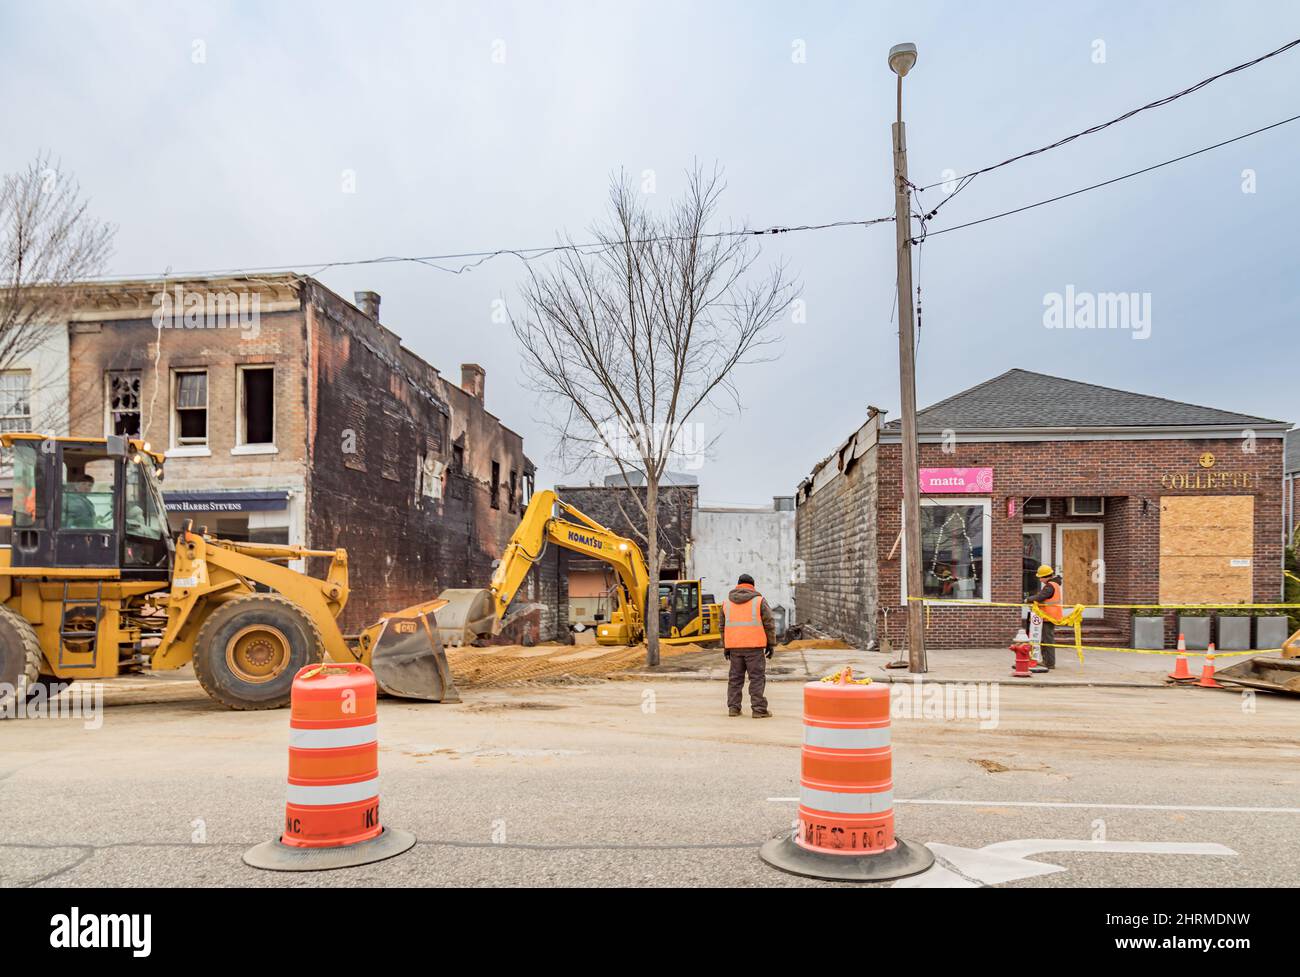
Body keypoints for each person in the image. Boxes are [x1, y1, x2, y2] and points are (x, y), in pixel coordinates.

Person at [720, 573, 777, 718]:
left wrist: (726, 646)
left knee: (735, 679)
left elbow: (722, 627)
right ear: (753, 586)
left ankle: (733, 708)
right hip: (754, 647)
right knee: (757, 678)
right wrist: (771, 644)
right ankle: (758, 710)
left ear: (738, 584)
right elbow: (769, 623)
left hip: (734, 648)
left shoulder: (726, 603)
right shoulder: (759, 601)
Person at [1025, 564, 1064, 670]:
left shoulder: (1050, 586)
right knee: (1045, 639)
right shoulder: (1053, 584)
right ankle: (1047, 661)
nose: (1040, 579)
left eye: (1041, 577)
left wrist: (1028, 599)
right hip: (1049, 616)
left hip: (1049, 616)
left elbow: (1041, 596)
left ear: (1046, 576)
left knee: (1047, 640)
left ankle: (1049, 663)